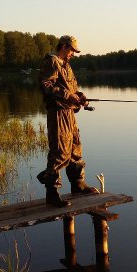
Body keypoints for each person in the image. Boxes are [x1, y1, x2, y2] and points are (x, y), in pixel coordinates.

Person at [37, 35, 98, 207]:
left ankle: (78, 185)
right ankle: (52, 194)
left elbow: (72, 90)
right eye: (72, 50)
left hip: (69, 113)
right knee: (60, 151)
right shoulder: (51, 61)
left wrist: (80, 97)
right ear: (63, 46)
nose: (73, 53)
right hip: (57, 113)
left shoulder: (67, 66)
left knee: (75, 148)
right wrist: (68, 96)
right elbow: (45, 85)